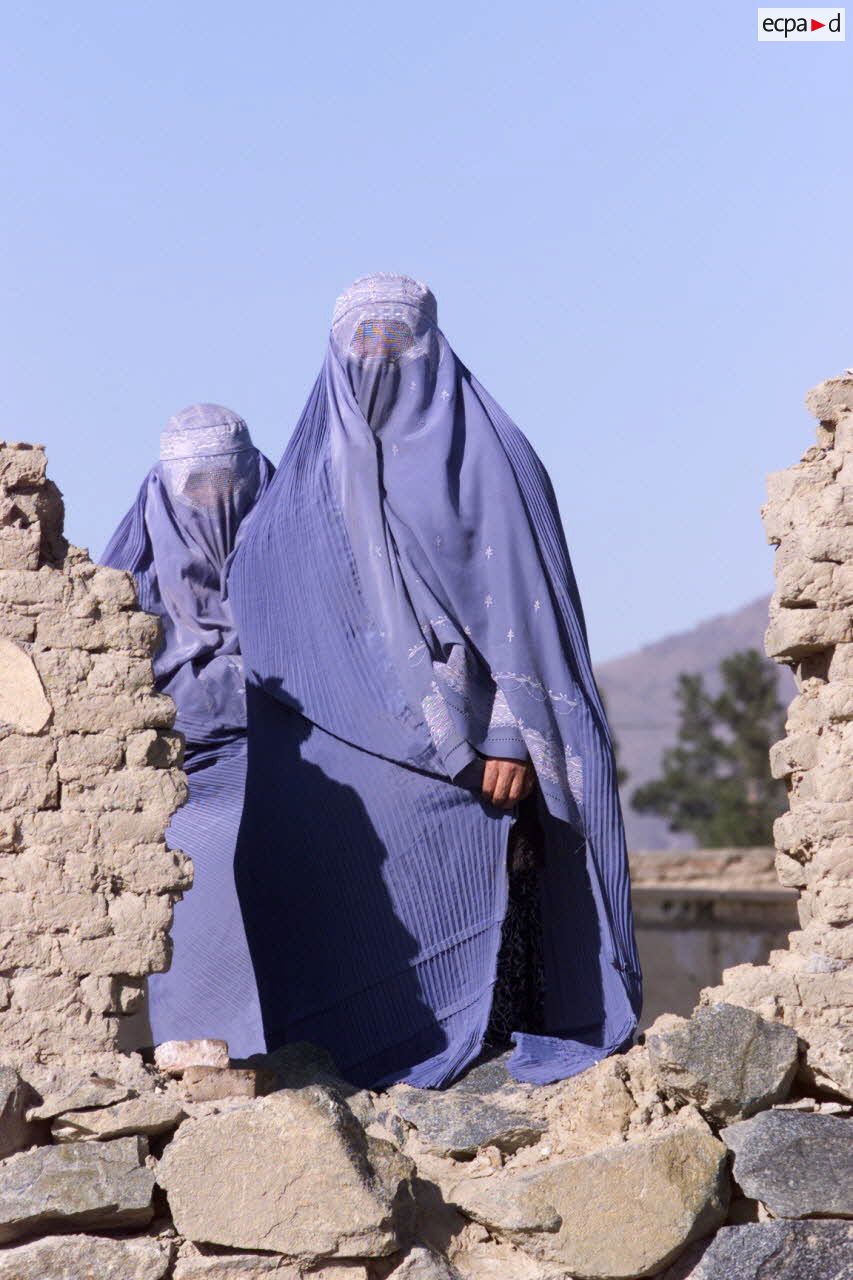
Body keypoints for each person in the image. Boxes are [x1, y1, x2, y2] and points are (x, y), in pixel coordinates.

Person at [230, 275, 641, 1087]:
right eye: (361, 342)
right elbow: (272, 606)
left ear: (433, 342)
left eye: (398, 338)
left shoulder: (494, 459)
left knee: (493, 970)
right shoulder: (310, 480)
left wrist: (507, 732)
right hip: (362, 769)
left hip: (482, 763)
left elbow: (528, 615)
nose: (379, 359)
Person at [102, 403, 274, 1057]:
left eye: (225, 483)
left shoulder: (301, 560)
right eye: (194, 487)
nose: (212, 501)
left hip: (294, 786)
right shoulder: (128, 592)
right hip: (184, 794)